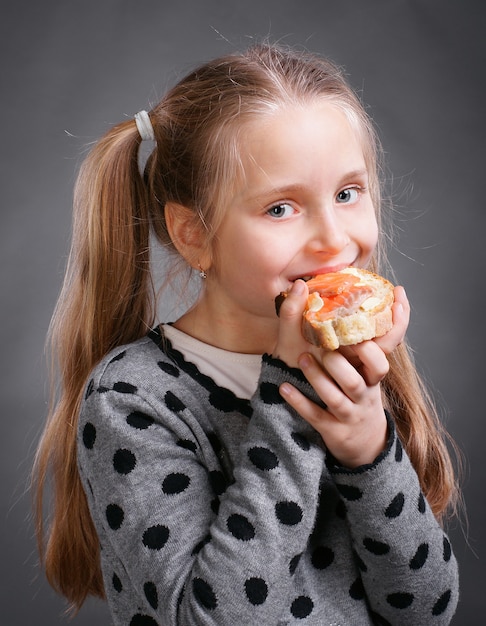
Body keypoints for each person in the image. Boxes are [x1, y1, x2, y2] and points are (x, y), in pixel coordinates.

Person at [34, 43, 460, 625]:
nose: (334, 240)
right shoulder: (132, 399)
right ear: (193, 236)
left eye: (347, 194)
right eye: (282, 208)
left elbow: (426, 610)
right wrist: (293, 400)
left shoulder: (356, 368)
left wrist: (369, 453)